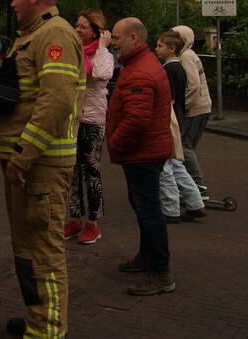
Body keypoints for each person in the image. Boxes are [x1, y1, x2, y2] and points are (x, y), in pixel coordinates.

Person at [0, 0, 84, 338]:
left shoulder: (55, 35)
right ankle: (38, 320)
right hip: (28, 164)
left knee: (43, 251)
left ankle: (48, 331)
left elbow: (56, 100)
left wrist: (23, 155)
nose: (12, 3)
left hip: (40, 165)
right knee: (27, 247)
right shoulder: (34, 35)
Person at [108, 17, 176, 296]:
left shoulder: (140, 72)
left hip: (142, 153)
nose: (113, 42)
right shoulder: (141, 64)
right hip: (144, 151)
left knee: (148, 210)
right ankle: (148, 257)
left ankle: (160, 272)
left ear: (133, 38)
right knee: (142, 205)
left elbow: (137, 120)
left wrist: (115, 142)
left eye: (116, 38)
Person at [64, 9, 114, 245]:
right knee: (72, 170)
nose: (78, 29)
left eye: (83, 26)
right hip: (73, 118)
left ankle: (93, 223)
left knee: (91, 171)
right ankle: (75, 218)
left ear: (95, 32)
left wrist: (102, 47)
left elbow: (101, 74)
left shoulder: (103, 55)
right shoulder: (74, 51)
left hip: (93, 119)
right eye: (77, 25)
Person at [155, 31, 206, 223]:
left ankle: (171, 209)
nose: (156, 49)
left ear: (171, 48)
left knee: (165, 165)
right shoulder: (179, 67)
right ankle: (195, 202)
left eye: (160, 46)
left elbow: (168, 97)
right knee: (175, 163)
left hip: (169, 118)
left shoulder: (169, 69)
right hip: (177, 117)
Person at [172, 25, 212, 198]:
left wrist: (184, 106)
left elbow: (193, 85)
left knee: (183, 146)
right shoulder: (190, 54)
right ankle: (188, 185)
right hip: (202, 106)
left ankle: (198, 185)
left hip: (195, 108)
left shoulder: (186, 56)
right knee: (187, 147)